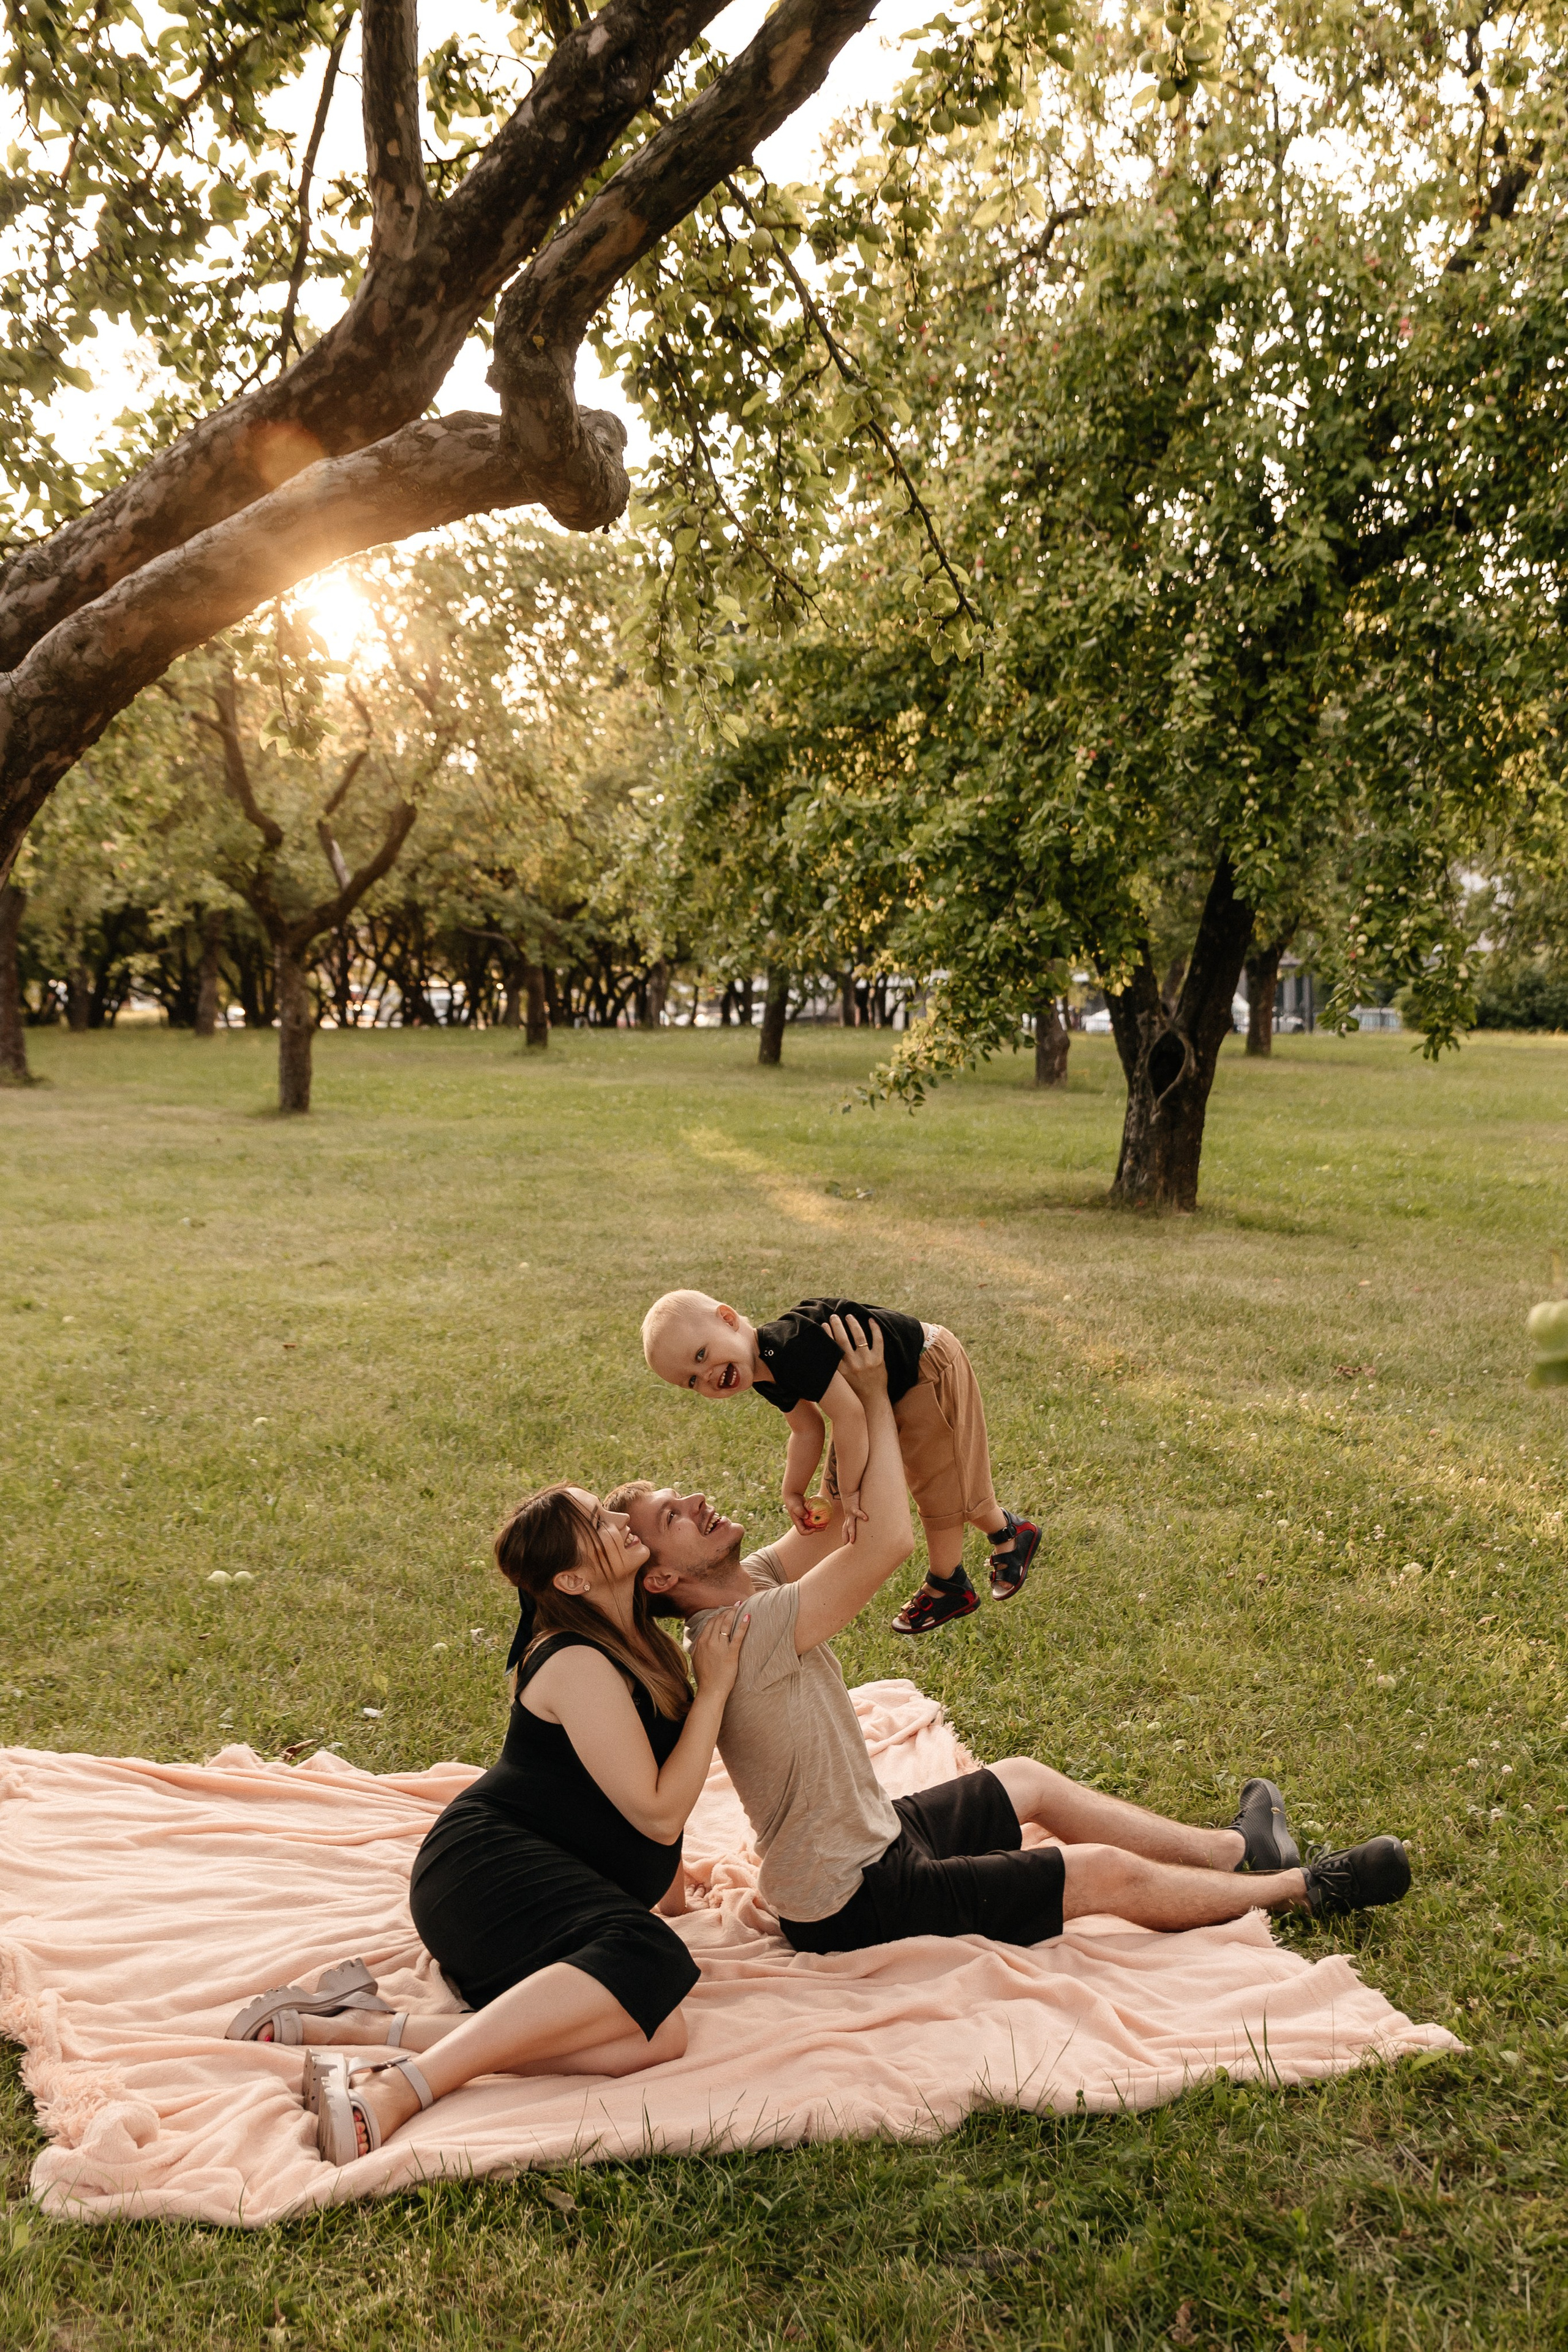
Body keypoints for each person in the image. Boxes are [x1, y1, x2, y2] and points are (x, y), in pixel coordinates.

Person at [618, 1313, 1413, 1960]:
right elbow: (887, 1539)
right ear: (661, 1580)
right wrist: (865, 1396)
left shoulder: (749, 1580)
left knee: (1026, 1779)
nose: (693, 1498)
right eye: (671, 1516)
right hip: (852, 1901)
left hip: (878, 1839)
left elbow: (839, 1524)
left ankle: (1237, 1850)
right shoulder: (744, 1633)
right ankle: (1306, 1887)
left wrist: (850, 1426)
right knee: (1096, 1874)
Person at [228, 1485, 750, 2165]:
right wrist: (714, 1691)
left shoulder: (634, 1642)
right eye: (599, 1521)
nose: (621, 1520)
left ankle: (353, 2026)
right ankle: (402, 2091)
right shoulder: (575, 1660)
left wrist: (674, 1896)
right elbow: (655, 1814)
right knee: (647, 1957)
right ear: (571, 1579)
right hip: (484, 1876)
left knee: (658, 2036)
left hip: (544, 1880)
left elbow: (639, 1780)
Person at [640, 1286, 1039, 1636]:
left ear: (728, 1319)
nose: (705, 1375)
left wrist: (848, 1494)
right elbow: (807, 1430)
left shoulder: (787, 1347)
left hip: (924, 1364)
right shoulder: (764, 1370)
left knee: (941, 1482)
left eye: (701, 1354)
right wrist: (792, 1490)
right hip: (893, 1384)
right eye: (692, 1380)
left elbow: (848, 1418)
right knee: (938, 1480)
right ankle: (1004, 1535)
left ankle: (952, 1579)